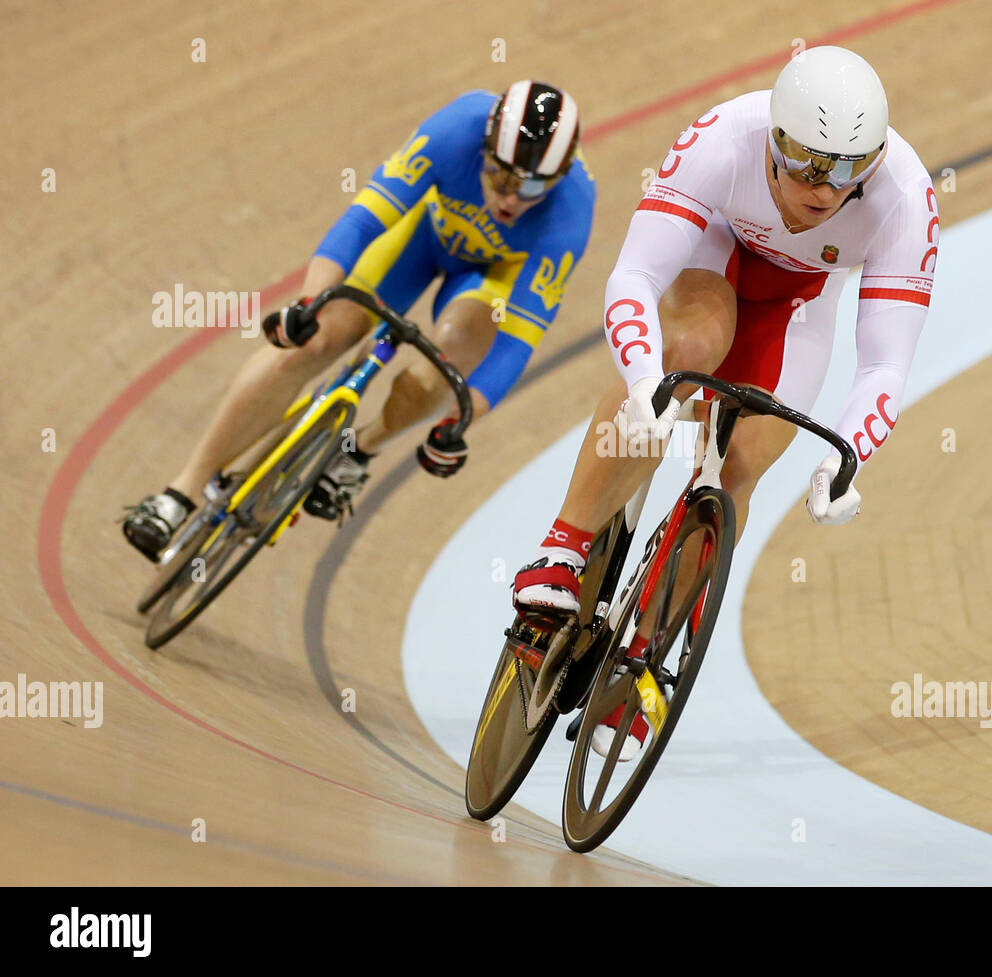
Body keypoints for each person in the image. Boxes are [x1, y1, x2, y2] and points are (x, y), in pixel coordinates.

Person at [512, 46, 939, 759]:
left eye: (846, 167)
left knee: (737, 469)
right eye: (806, 159)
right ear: (774, 138)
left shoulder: (905, 195)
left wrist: (848, 460)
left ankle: (642, 656)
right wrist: (646, 378)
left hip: (797, 308)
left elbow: (887, 362)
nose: (824, 185)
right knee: (688, 352)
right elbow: (635, 277)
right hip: (718, 259)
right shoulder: (723, 137)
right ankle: (562, 549)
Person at [123, 81, 595, 559]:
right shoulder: (458, 127)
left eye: (533, 186)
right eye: (499, 176)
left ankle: (360, 451)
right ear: (485, 148)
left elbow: (516, 342)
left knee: (448, 363)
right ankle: (179, 493)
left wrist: (459, 423)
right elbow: (363, 221)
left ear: (558, 177)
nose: (511, 198)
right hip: (420, 238)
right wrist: (308, 306)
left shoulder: (572, 211)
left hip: (490, 280)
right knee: (317, 340)